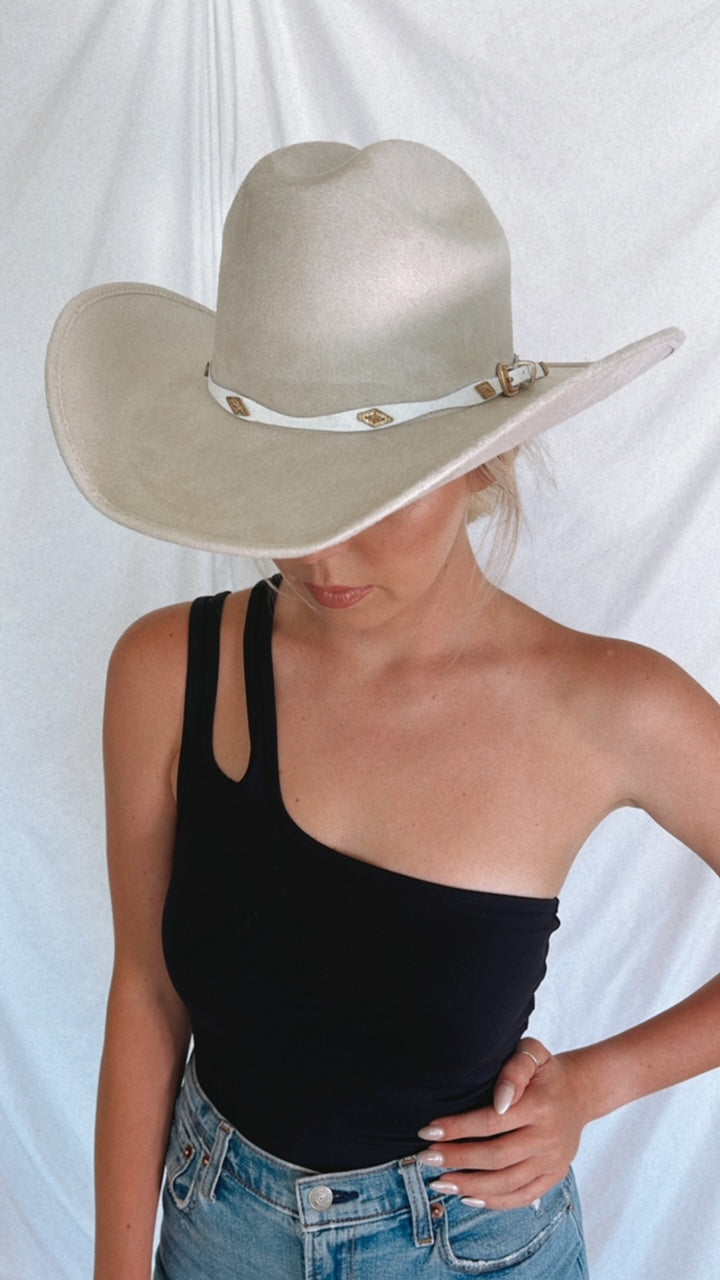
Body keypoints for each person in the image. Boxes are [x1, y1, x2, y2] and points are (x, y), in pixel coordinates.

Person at [45, 140, 719, 1280]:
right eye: (287, 489)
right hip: (215, 1231)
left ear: (482, 462)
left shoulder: (607, 704)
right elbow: (148, 993)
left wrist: (598, 1084)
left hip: (474, 1246)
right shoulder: (170, 671)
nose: (322, 553)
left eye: (376, 495)